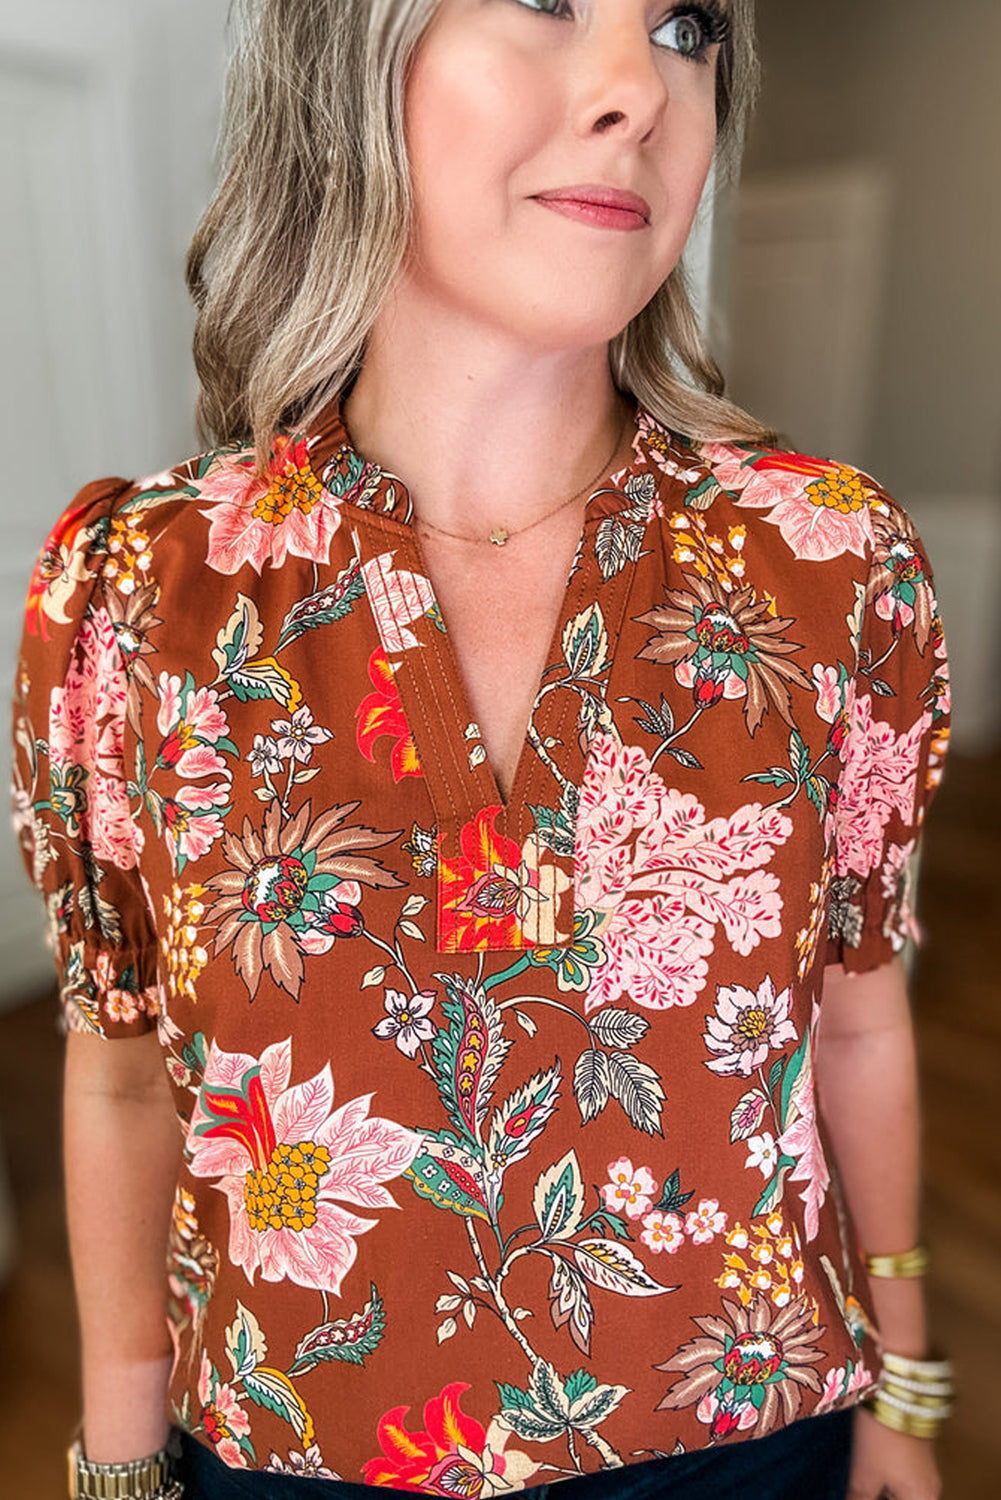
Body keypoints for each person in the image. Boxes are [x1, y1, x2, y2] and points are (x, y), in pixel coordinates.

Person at [10, 1, 954, 1497]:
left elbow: (856, 1015)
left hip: (743, 1440)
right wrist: (119, 1465)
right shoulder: (145, 593)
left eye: (688, 27)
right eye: (539, 0)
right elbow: (122, 1074)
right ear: (348, 59)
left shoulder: (826, 566)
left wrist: (902, 1382)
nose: (636, 91)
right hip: (287, 1458)